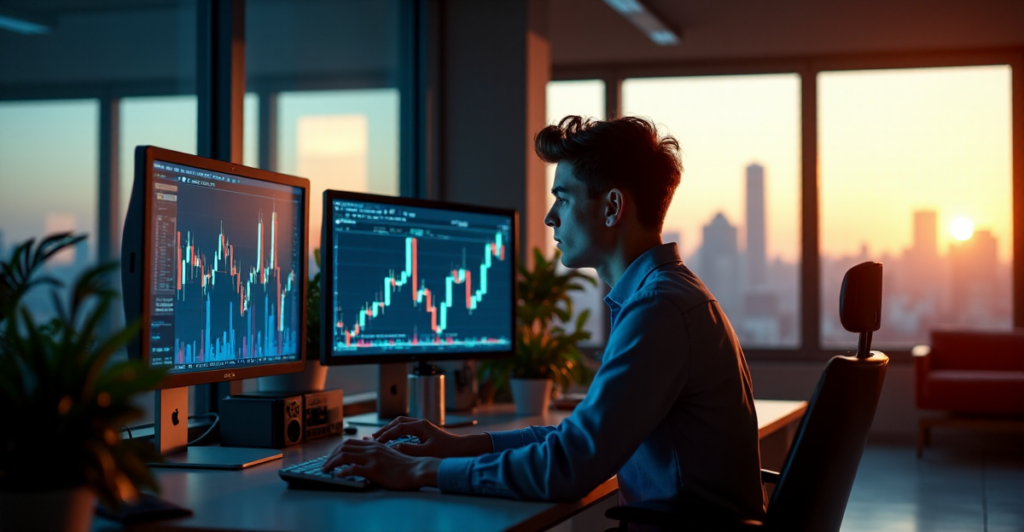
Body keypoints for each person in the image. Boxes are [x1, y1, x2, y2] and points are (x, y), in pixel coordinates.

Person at [322, 115, 767, 521]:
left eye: (563, 198)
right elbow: (578, 439)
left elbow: (568, 467)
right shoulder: (669, 295)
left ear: (612, 207)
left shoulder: (660, 310)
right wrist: (461, 445)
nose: (550, 217)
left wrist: (422, 469)